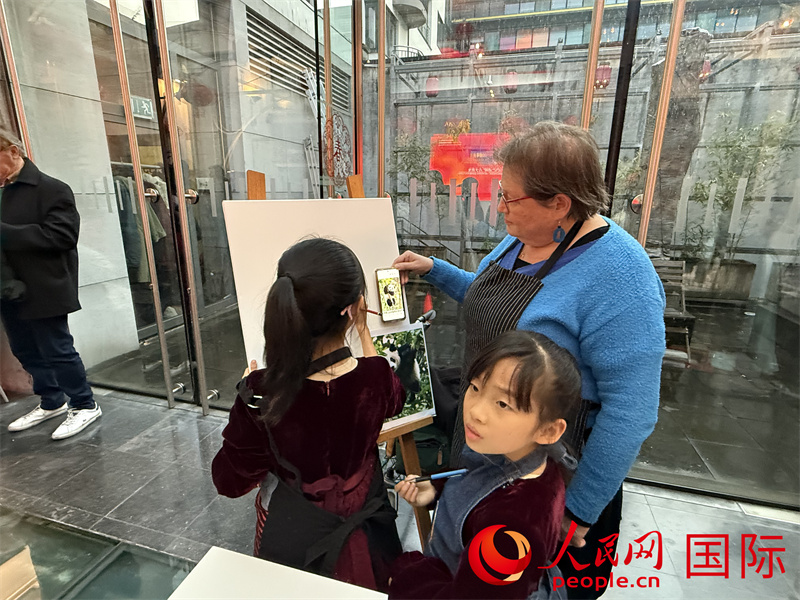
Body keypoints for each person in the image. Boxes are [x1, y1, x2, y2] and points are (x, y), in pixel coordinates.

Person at [392, 122, 665, 599]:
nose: (499, 207)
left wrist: (577, 510)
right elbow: (492, 300)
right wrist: (436, 271)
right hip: (490, 448)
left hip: (551, 475)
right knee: (466, 571)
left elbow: (632, 411)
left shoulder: (622, 276)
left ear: (559, 203)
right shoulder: (523, 238)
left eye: (509, 198)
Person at [212, 238, 405, 591]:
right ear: (352, 308)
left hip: (290, 539)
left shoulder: (261, 392)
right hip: (367, 540)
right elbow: (395, 399)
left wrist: (246, 405)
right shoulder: (376, 378)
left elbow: (229, 481)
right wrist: (363, 330)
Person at [389, 330, 580, 599]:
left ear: (548, 431)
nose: (476, 411)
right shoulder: (513, 448)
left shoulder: (512, 529)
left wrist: (407, 574)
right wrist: (437, 489)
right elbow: (478, 474)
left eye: (503, 403)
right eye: (476, 388)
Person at [0, 129, 101, 440]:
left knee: (57, 349)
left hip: (45, 285)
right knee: (24, 349)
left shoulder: (52, 189)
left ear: (13, 152)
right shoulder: (2, 191)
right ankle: (52, 401)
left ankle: (84, 404)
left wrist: (4, 232)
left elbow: (62, 236)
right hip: (8, 287)